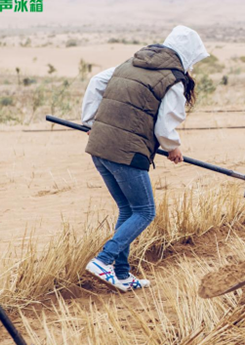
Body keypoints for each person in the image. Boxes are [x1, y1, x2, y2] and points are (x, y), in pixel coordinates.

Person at [81, 26, 209, 292]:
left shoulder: (132, 63)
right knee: (145, 211)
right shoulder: (173, 79)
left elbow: (96, 82)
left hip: (99, 147)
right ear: (187, 57)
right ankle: (103, 260)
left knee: (128, 211)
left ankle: (122, 274)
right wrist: (173, 147)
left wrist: (90, 121)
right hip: (126, 152)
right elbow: (164, 129)